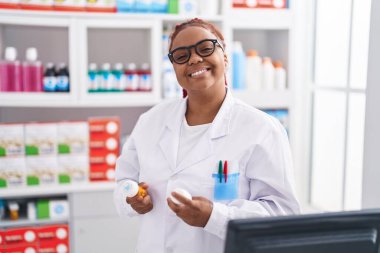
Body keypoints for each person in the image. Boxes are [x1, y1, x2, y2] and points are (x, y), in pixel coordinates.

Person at [114, 18, 300, 253]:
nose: (194, 59)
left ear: (225, 56)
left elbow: (281, 214)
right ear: (174, 67)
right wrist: (132, 200)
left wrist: (214, 217)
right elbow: (124, 182)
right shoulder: (151, 121)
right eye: (181, 55)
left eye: (205, 48)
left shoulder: (262, 129)